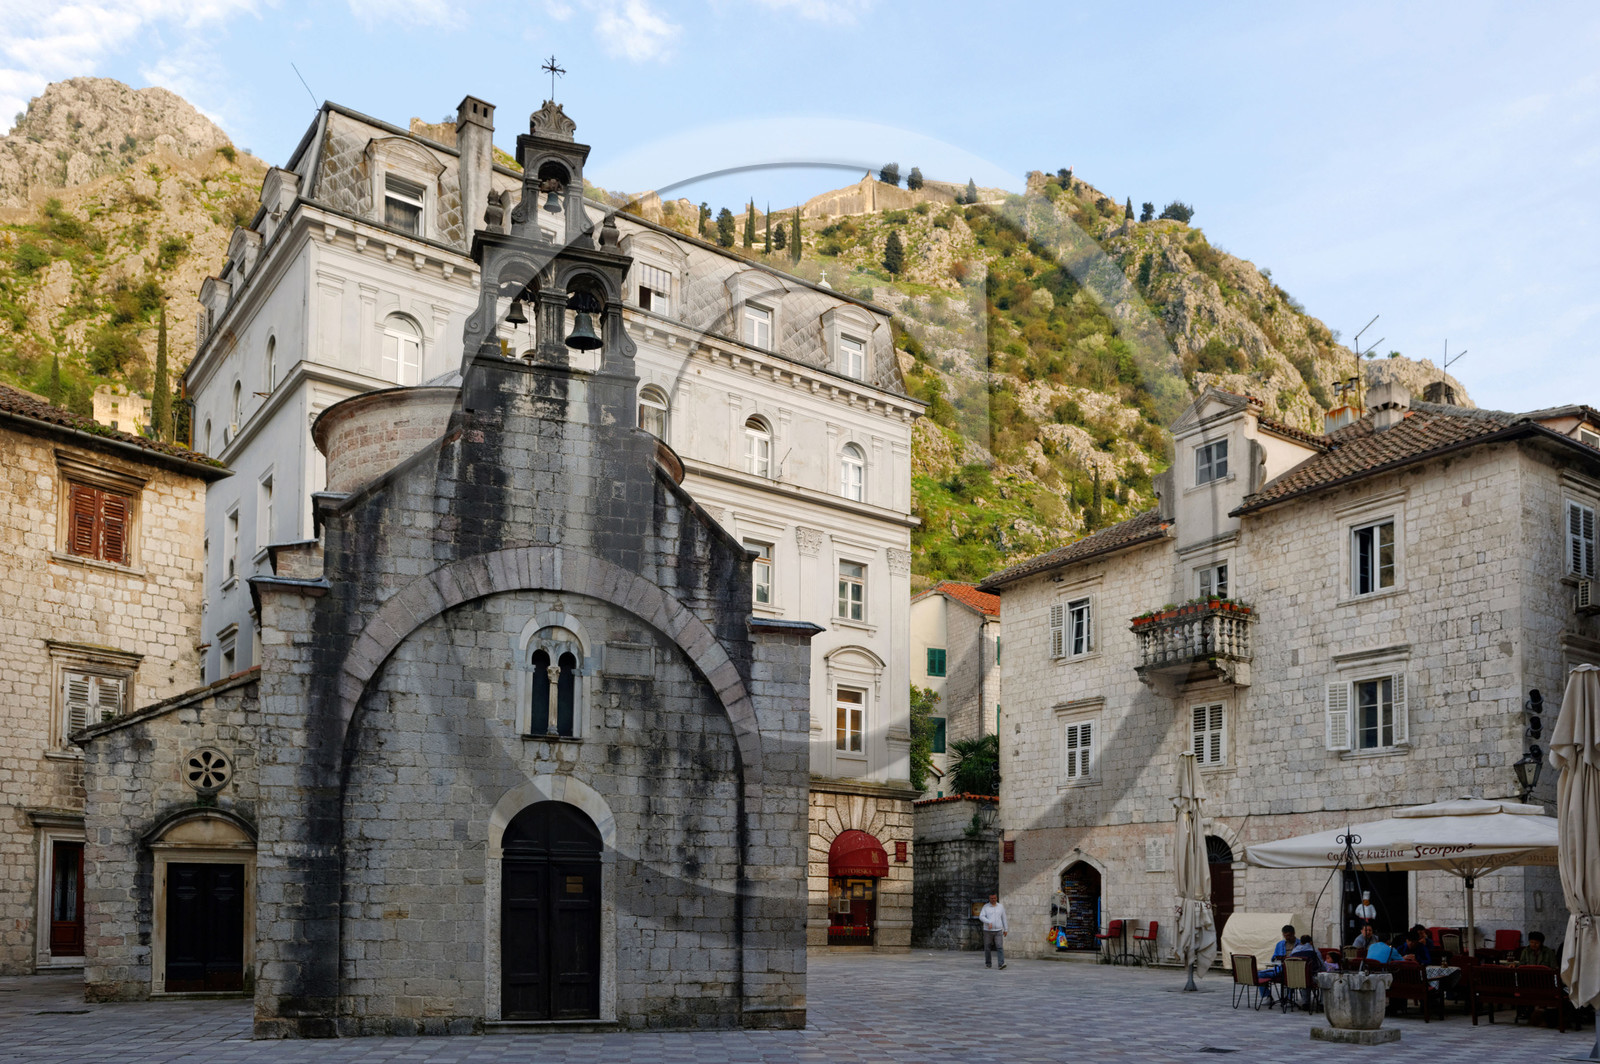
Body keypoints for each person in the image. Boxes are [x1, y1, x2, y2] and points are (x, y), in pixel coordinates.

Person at [1262, 924, 1296, 999]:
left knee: (1292, 976)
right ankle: (1267, 996)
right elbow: (1273, 958)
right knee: (1259, 974)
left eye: (1289, 935)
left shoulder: (1300, 944)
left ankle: (1289, 998)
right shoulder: (1280, 944)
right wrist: (1277, 958)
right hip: (1280, 969)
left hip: (1294, 970)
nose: (1287, 938)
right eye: (1285, 936)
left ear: (1293, 934)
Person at [979, 893, 1008, 970]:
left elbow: (1004, 918)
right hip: (987, 931)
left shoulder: (1000, 907)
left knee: (999, 946)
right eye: (991, 898)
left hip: (998, 930)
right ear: (989, 898)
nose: (993, 900)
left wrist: (1006, 929)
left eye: (994, 898)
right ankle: (988, 963)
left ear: (996, 898)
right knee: (987, 947)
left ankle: (1001, 964)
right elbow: (981, 916)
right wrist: (988, 922)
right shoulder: (985, 907)